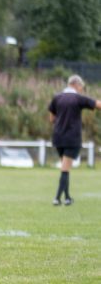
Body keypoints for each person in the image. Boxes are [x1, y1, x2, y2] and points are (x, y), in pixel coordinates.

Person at [49, 75, 101, 206]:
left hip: (58, 137)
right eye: (81, 87)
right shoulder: (78, 98)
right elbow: (98, 104)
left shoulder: (57, 98)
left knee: (65, 166)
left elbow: (51, 119)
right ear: (77, 85)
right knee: (65, 169)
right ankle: (57, 198)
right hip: (72, 138)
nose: (81, 90)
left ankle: (67, 197)